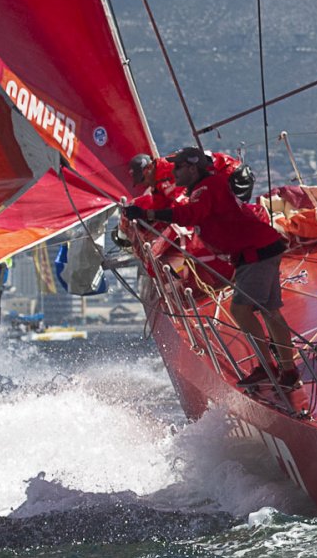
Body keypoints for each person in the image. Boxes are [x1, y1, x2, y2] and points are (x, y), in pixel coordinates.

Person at [123, 146, 298, 391]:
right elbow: (181, 210)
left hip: (256, 253)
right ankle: (286, 370)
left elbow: (190, 214)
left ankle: (268, 368)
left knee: (241, 310)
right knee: (270, 311)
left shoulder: (208, 187)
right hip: (258, 250)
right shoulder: (202, 187)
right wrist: (147, 214)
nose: (174, 172)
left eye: (179, 167)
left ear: (193, 169)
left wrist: (147, 213)